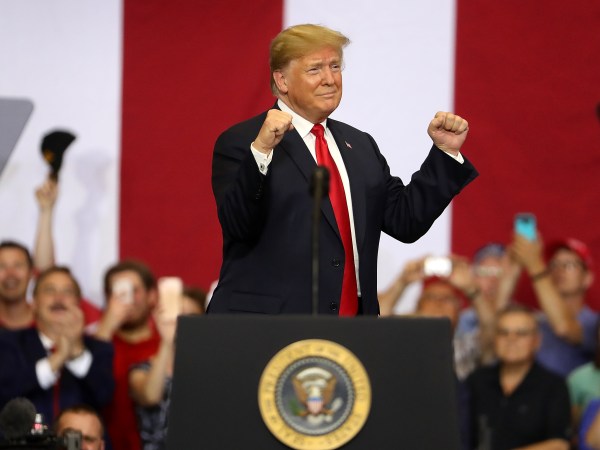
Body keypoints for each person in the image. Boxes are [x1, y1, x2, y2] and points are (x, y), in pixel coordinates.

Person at [209, 23, 478, 316]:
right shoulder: (244, 141)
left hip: (352, 328)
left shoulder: (359, 145)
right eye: (315, 70)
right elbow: (238, 225)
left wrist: (445, 152)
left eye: (335, 66)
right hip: (268, 329)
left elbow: (405, 220)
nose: (330, 79)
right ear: (282, 80)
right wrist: (260, 151)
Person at [0, 267, 114, 425]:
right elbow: (6, 391)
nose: (59, 298)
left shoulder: (98, 349)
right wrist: (58, 358)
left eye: (67, 292)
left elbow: (104, 398)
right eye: (49, 290)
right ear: (33, 304)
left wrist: (77, 354)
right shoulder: (7, 343)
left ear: (79, 304)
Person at [467, 305, 571, 450]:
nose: (511, 339)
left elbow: (560, 444)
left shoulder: (554, 386)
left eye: (521, 333)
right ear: (494, 339)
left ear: (536, 341)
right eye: (503, 333)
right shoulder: (476, 380)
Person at [508, 235, 597, 377]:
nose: (559, 270)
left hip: (570, 398)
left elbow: (564, 328)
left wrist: (535, 264)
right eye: (553, 265)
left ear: (587, 278)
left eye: (569, 265)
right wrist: (513, 267)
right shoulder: (536, 321)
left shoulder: (594, 323)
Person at [94, 260, 160, 450]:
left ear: (152, 296)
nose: (127, 299)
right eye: (117, 291)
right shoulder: (97, 343)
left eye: (133, 290)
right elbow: (89, 384)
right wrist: (107, 325)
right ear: (107, 298)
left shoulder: (168, 347)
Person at [128, 288, 203, 450]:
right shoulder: (141, 369)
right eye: (175, 315)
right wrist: (166, 341)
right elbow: (150, 396)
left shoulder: (209, 370)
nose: (180, 323)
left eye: (190, 316)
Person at [0, 241, 35, 330]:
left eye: (18, 266)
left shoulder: (49, 320)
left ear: (31, 273)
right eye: (2, 266)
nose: (10, 274)